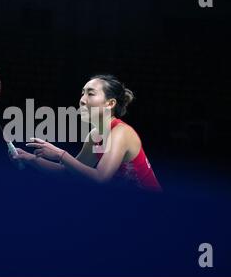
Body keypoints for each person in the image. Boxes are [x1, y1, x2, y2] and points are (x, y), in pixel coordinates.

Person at [10, 75, 162, 191]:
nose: (82, 100)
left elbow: (101, 178)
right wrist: (30, 158)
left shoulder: (121, 133)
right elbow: (70, 173)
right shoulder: (95, 136)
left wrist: (60, 154)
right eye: (82, 93)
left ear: (110, 103)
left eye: (90, 94)